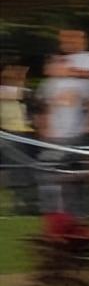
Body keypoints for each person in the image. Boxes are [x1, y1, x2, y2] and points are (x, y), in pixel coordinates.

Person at [35, 48, 89, 218]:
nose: (53, 67)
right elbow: (42, 109)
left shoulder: (85, 84)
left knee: (78, 178)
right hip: (54, 140)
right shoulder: (48, 85)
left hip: (77, 139)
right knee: (50, 177)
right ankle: (55, 214)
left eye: (57, 62)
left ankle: (82, 214)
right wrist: (44, 129)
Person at [0, 63, 39, 214]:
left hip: (26, 136)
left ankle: (28, 204)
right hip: (13, 135)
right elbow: (20, 93)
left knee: (27, 171)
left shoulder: (23, 94)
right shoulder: (9, 92)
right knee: (20, 171)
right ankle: (24, 204)